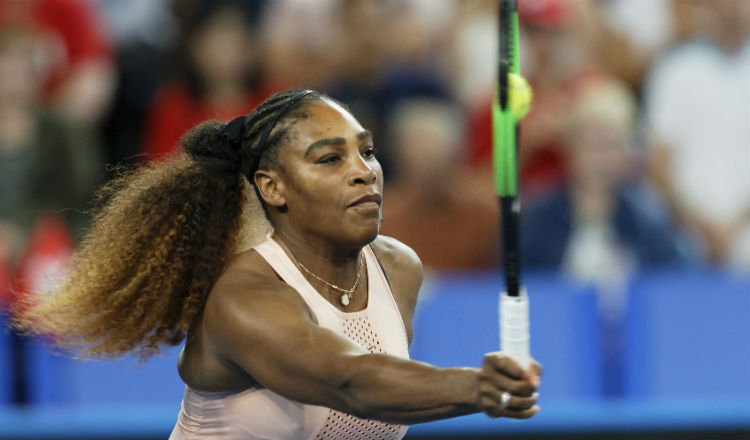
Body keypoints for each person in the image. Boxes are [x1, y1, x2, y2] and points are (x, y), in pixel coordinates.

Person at [15, 89, 541, 439]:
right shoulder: (243, 298)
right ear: (272, 187)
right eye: (330, 159)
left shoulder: (397, 268)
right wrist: (478, 387)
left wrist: (480, 390)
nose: (364, 173)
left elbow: (387, 400)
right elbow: (350, 382)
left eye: (368, 152)